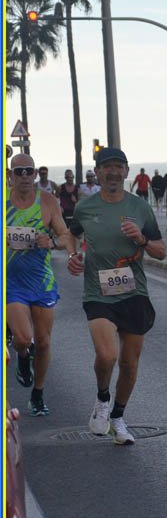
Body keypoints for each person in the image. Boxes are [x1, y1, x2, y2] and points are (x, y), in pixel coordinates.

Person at [66, 147, 166, 445]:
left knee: (130, 363)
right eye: (105, 167)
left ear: (126, 172)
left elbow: (161, 251)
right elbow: (72, 233)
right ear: (97, 173)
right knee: (107, 354)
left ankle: (119, 418)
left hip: (134, 293)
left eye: (117, 167)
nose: (112, 172)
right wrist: (73, 254)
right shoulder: (86, 207)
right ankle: (102, 398)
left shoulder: (140, 208)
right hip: (98, 292)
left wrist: (141, 238)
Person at [6, 153, 73, 416]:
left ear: (35, 174)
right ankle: (23, 356)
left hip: (41, 281)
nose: (24, 176)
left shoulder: (47, 202)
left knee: (43, 342)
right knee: (23, 337)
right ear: (10, 175)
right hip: (11, 282)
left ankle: (38, 393)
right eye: (18, 171)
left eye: (28, 171)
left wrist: (53, 243)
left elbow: (65, 234)